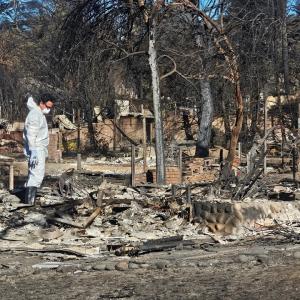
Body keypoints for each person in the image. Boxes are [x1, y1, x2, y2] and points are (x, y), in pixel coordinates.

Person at [23, 93, 55, 205]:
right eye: (48, 106)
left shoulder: (37, 112)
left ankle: (29, 200)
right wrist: (33, 151)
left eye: (51, 107)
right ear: (41, 103)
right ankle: (29, 203)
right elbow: (31, 134)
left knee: (34, 174)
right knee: (36, 175)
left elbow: (31, 105)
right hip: (36, 149)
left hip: (37, 148)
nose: (49, 109)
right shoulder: (35, 115)